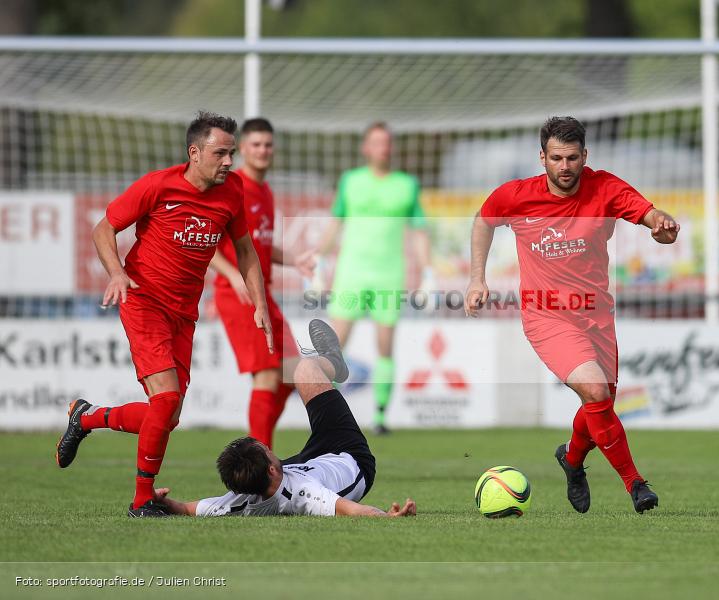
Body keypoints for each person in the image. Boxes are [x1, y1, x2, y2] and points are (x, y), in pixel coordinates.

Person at [55, 111, 273, 518]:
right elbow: (104, 229)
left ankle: (86, 418)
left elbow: (245, 250)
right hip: (144, 301)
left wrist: (259, 302)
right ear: (195, 152)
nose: (229, 161)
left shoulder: (231, 195)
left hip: (183, 313)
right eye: (220, 153)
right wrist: (118, 273)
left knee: (166, 416)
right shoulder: (159, 185)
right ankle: (142, 500)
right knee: (167, 398)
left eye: (231, 153)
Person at [464, 116, 680, 514]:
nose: (565, 167)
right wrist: (477, 279)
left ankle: (573, 458)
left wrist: (661, 226)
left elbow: (649, 214)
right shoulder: (515, 195)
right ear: (542, 157)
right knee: (596, 393)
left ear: (585, 156)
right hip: (547, 318)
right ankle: (636, 485)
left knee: (601, 403)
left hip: (596, 314)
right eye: (557, 158)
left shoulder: (606, 188)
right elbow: (484, 221)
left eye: (573, 158)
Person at [155, 320, 416, 519]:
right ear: (271, 468)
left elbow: (190, 508)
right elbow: (354, 511)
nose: (269, 447)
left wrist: (161, 502)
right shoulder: (305, 493)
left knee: (299, 371)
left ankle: (331, 364)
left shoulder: (244, 499)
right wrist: (390, 516)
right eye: (266, 450)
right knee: (305, 370)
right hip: (350, 457)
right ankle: (335, 362)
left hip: (310, 462)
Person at [302, 122, 431, 435]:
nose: (382, 148)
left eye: (387, 143)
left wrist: (426, 272)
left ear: (392, 147)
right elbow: (336, 224)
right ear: (366, 148)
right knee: (333, 346)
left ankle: (381, 417)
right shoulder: (351, 181)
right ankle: (327, 418)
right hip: (351, 273)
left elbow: (418, 231)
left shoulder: (407, 185)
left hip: (389, 274)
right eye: (376, 142)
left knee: (385, 346)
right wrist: (317, 254)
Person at [209, 117, 307, 450]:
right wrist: (231, 273)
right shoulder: (230, 186)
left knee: (293, 373)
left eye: (268, 144)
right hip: (238, 295)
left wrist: (296, 260)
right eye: (255, 145)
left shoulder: (265, 191)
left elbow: (258, 245)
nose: (263, 150)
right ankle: (260, 467)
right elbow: (206, 241)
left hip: (263, 294)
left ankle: (258, 451)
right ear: (243, 150)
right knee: (267, 374)